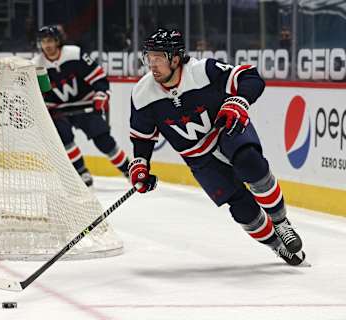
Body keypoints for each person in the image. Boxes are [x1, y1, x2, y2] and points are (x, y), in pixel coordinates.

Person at [128, 28, 306, 266]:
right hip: (198, 158)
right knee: (241, 208)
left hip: (225, 131)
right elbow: (143, 137)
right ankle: (276, 245)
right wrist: (141, 164)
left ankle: (281, 223)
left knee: (250, 163)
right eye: (149, 57)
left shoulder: (202, 71)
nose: (152, 63)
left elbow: (251, 77)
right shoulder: (142, 93)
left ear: (176, 58)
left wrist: (239, 100)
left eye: (159, 57)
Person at [32, 25, 130, 187]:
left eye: (50, 41)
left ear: (58, 41)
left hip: (85, 104)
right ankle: (82, 172)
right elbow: (36, 93)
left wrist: (100, 95)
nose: (47, 45)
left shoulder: (75, 55)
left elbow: (99, 80)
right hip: (58, 110)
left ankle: (128, 170)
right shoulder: (37, 65)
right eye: (43, 42)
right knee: (64, 139)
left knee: (103, 139)